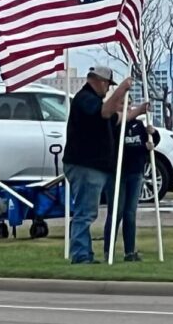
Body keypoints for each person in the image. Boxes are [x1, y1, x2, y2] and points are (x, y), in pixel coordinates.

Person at [62, 67, 138, 264]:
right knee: (85, 212)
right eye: (108, 85)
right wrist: (122, 89)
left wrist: (138, 111)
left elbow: (117, 118)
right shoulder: (85, 99)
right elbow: (105, 112)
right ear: (100, 81)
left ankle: (84, 253)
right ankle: (81, 255)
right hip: (86, 166)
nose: (108, 90)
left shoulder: (95, 103)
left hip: (97, 167)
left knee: (88, 211)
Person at [103, 100, 160, 262]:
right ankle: (109, 251)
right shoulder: (113, 125)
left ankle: (129, 252)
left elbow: (150, 141)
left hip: (135, 173)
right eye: (122, 105)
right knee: (116, 212)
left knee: (130, 213)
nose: (126, 108)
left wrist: (152, 136)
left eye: (128, 105)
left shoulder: (138, 125)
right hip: (117, 174)